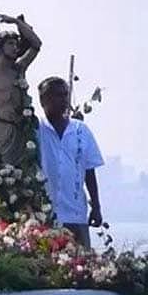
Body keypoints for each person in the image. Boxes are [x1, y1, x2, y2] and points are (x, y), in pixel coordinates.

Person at [37, 76, 104, 247]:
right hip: (44, 214)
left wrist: (96, 207)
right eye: (57, 95)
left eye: (65, 95)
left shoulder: (80, 130)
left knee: (81, 263)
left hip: (75, 213)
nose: (63, 100)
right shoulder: (35, 129)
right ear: (43, 100)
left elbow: (89, 171)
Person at [0, 14, 42, 167]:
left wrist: (17, 22)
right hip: (3, 128)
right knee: (5, 172)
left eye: (16, 44)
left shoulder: (19, 68)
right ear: (0, 46)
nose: (15, 48)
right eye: (11, 43)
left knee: (27, 173)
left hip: (24, 129)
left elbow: (36, 45)